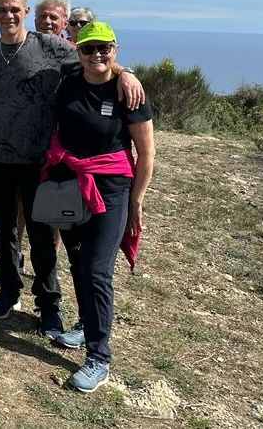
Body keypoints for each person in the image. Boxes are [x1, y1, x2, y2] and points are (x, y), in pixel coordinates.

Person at [0, 0, 143, 338]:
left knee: (42, 236)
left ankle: (48, 306)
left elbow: (93, 59)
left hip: (39, 160)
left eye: (15, 9)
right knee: (4, 231)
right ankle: (8, 290)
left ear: (26, 12)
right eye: (2, 9)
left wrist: (126, 72)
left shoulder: (50, 47)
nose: (9, 15)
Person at [46, 21, 155, 392]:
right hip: (70, 185)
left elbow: (146, 153)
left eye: (104, 48)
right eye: (88, 48)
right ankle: (84, 324)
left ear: (115, 49)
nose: (96, 55)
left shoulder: (129, 92)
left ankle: (98, 357)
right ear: (78, 51)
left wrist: (137, 200)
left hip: (111, 189)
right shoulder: (68, 80)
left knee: (96, 270)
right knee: (78, 261)